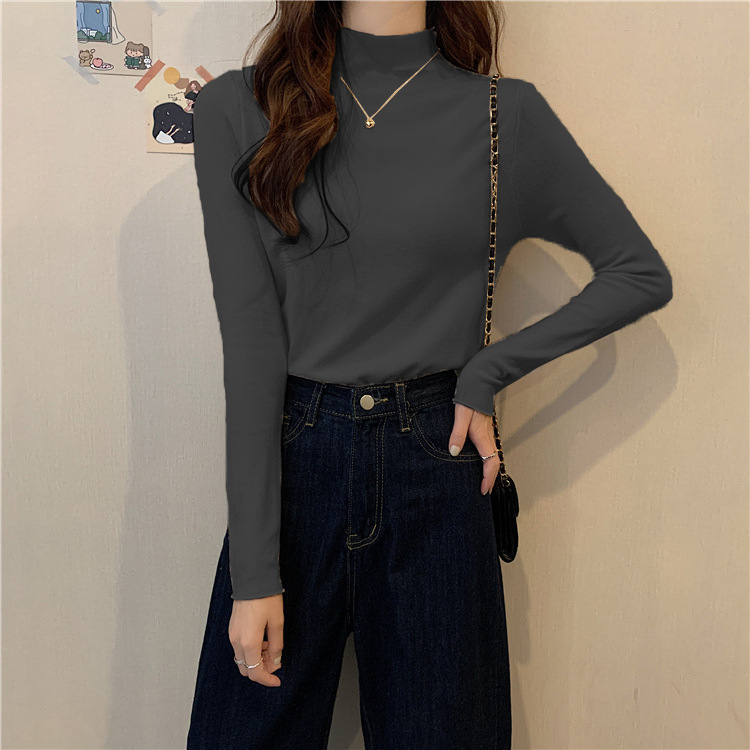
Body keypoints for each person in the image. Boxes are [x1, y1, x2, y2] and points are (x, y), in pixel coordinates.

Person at [186, 1, 673, 748]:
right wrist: (255, 574)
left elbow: (637, 273)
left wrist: (488, 371)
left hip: (435, 463)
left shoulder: (504, 116)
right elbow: (251, 345)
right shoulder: (239, 106)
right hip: (294, 464)